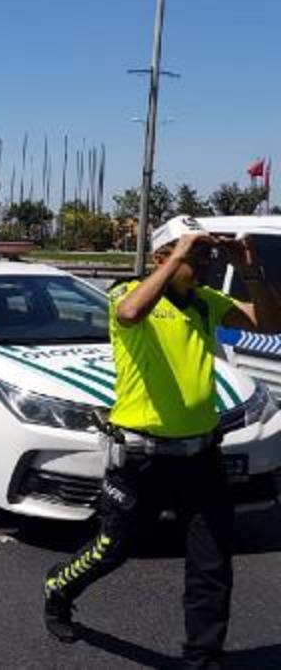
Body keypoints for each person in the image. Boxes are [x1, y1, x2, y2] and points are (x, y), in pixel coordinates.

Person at [42, 216, 281, 667]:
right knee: (112, 549)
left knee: (212, 568)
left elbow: (269, 323)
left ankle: (201, 660)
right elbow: (130, 313)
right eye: (198, 255)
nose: (207, 263)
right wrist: (178, 254)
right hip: (142, 459)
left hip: (201, 458)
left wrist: (249, 267)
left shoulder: (206, 302)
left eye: (209, 255)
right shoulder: (128, 295)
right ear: (161, 258)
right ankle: (59, 587)